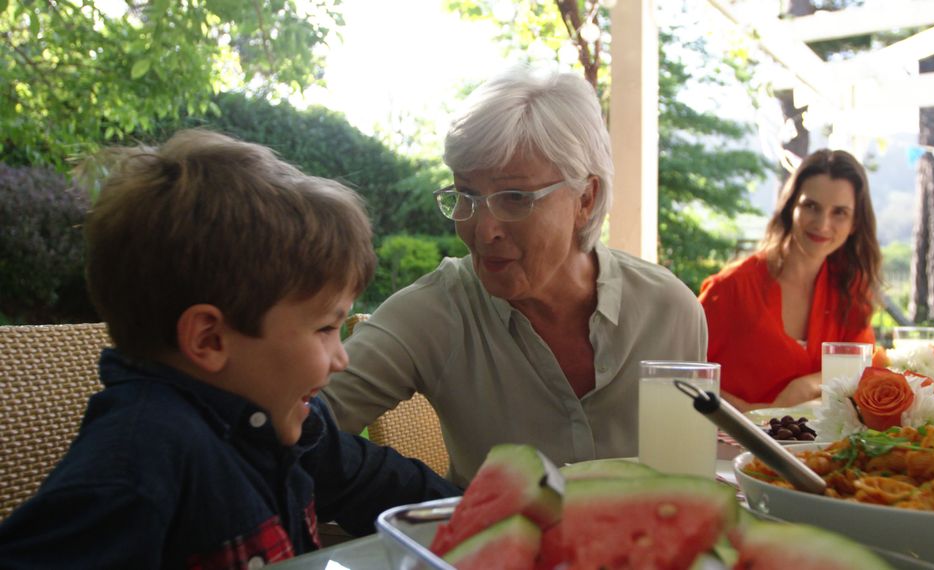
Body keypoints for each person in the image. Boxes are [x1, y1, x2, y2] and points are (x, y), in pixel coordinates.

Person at [0, 130, 458, 568]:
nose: (341, 358)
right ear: (209, 339)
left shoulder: (282, 422)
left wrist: (477, 512)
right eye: (324, 328)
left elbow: (372, 480)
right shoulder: (137, 462)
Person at [322, 66, 706, 486]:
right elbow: (293, 430)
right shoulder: (433, 313)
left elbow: (684, 478)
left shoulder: (669, 310)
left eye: (515, 198)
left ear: (586, 198)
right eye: (467, 194)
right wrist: (413, 492)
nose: (484, 230)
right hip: (485, 551)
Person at [699, 149, 881, 411]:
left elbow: (862, 372)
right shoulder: (730, 289)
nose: (822, 223)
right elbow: (680, 373)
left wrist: (808, 384)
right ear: (790, 207)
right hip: (730, 442)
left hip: (818, 448)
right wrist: (747, 414)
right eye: (811, 206)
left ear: (855, 224)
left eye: (839, 212)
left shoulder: (851, 291)